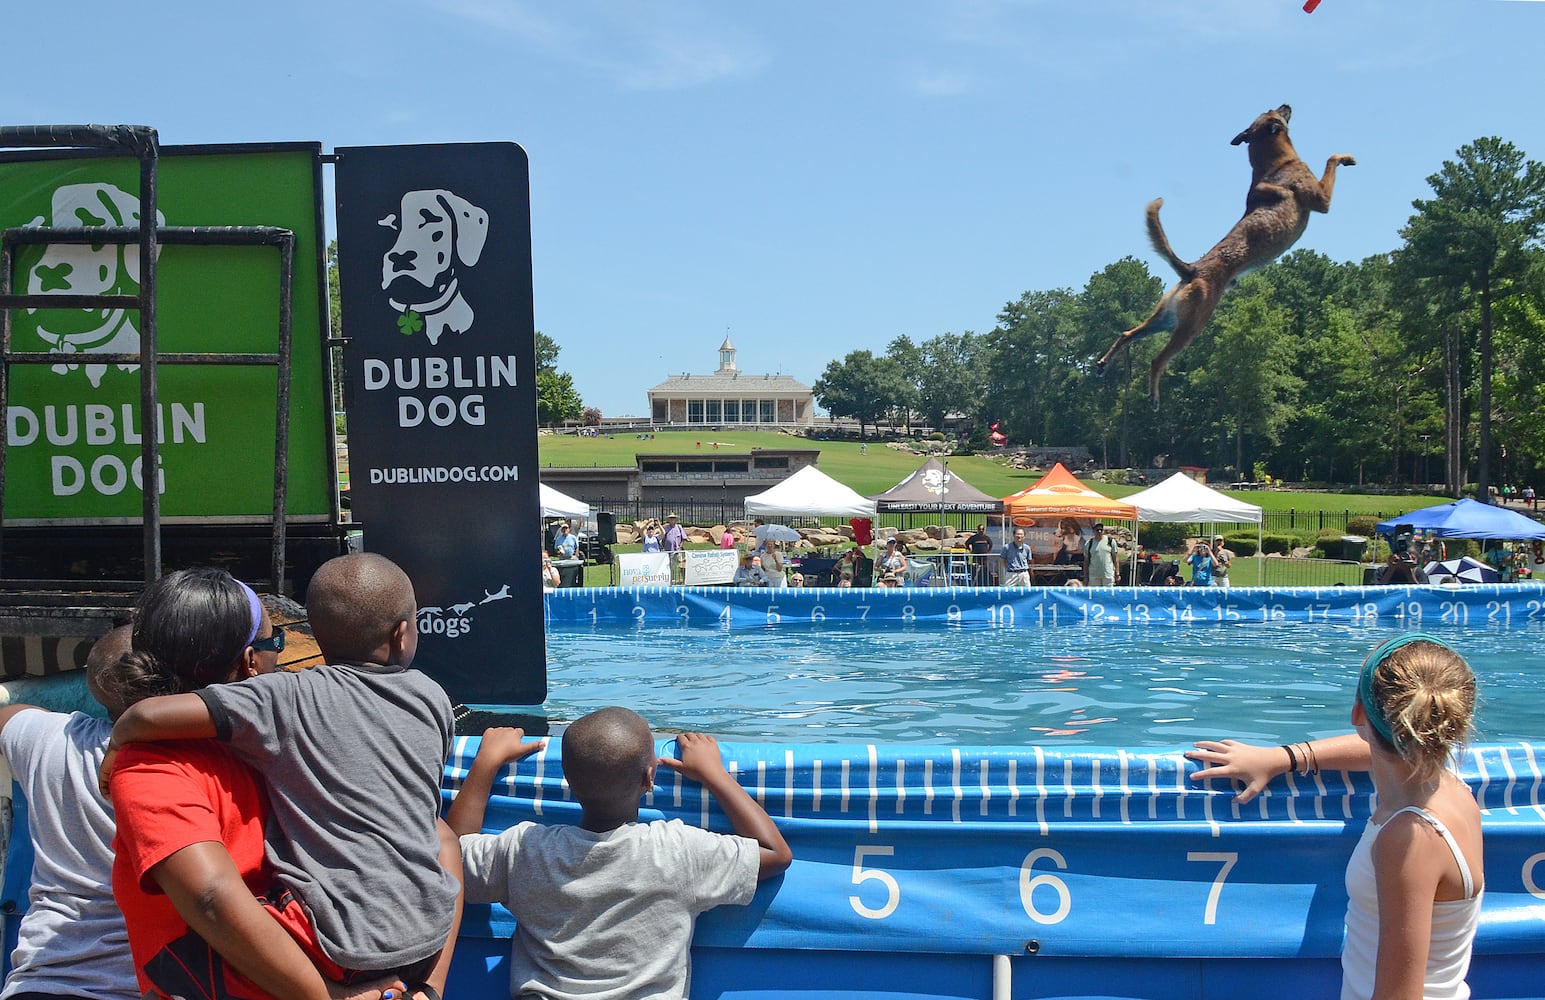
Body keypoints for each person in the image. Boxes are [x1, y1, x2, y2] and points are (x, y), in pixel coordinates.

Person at [107, 555, 461, 997]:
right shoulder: (156, 769)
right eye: (277, 642)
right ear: (252, 663)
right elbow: (211, 897)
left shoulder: (280, 728)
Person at [1187, 635, 1482, 1000]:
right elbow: (1379, 746)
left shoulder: (1409, 839)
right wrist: (1285, 758)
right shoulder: (1450, 790)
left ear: (1359, 714)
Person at [447, 713, 792, 1000]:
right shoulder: (679, 851)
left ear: (565, 778)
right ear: (649, 777)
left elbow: (451, 857)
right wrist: (715, 774)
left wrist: (486, 763)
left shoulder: (524, 850)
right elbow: (775, 853)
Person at [0, 626, 139, 1000]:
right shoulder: (196, 758)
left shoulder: (46, 738)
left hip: (38, 982)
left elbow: (7, 711)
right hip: (139, 985)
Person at [1087, 522, 1120, 587]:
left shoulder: (1110, 541)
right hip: (1094, 575)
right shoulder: (1089, 543)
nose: (1099, 531)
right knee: (1095, 595)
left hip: (1108, 574)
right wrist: (1086, 576)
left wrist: (1117, 573)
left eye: (1101, 530)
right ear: (1094, 531)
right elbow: (1086, 561)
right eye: (1097, 530)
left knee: (1108, 594)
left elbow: (1115, 559)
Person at [663, 513, 687, 584]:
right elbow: (663, 538)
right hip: (668, 551)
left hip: (678, 551)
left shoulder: (679, 527)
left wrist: (680, 546)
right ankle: (671, 580)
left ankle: (683, 580)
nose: (672, 520)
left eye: (673, 518)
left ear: (676, 520)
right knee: (670, 567)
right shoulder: (666, 528)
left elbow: (684, 538)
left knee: (681, 565)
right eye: (671, 518)